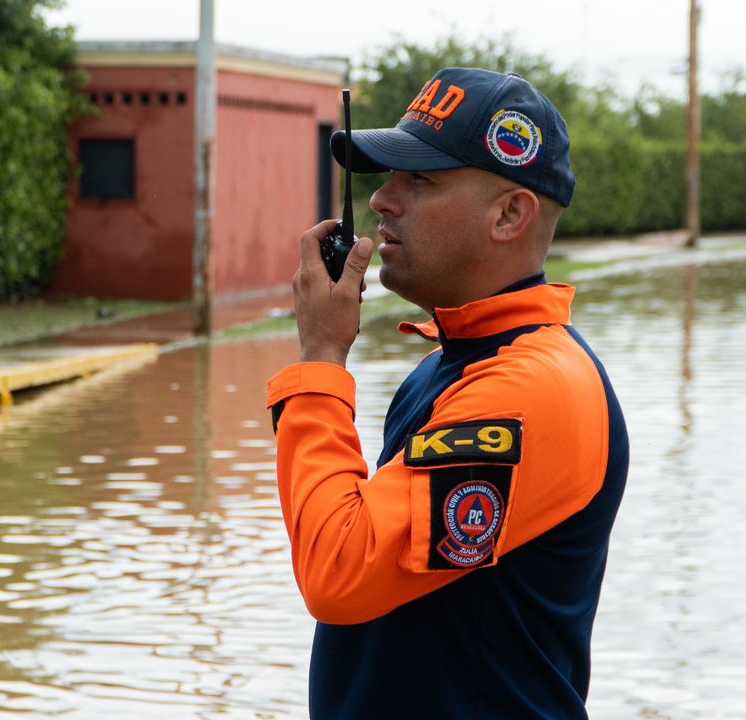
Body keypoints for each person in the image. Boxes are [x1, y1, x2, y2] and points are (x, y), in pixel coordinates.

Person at [266, 67, 629, 719]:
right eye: (389, 177)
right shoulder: (450, 363)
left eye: (419, 180)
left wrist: (320, 359)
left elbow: (339, 572)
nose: (381, 201)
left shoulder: (530, 387)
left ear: (510, 214)